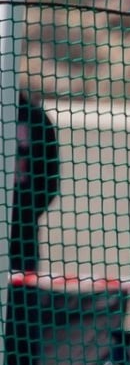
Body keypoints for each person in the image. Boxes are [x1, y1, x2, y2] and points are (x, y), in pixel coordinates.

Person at [10, 91, 60, 271]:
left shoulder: (35, 117)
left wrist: (28, 212)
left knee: (23, 289)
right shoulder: (36, 116)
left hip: (24, 231)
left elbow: (49, 177)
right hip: (25, 224)